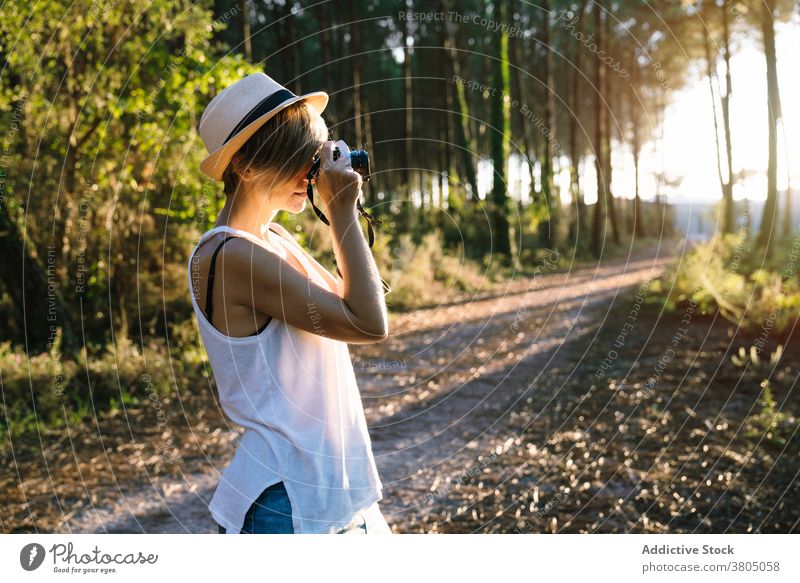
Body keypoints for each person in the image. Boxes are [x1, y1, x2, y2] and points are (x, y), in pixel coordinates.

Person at [188, 72, 391, 534]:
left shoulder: (271, 240)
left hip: (321, 488)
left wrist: (346, 214)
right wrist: (340, 212)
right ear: (243, 163)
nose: (311, 172)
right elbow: (368, 324)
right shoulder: (232, 255)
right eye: (299, 157)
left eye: (314, 157)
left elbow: (363, 299)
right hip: (286, 499)